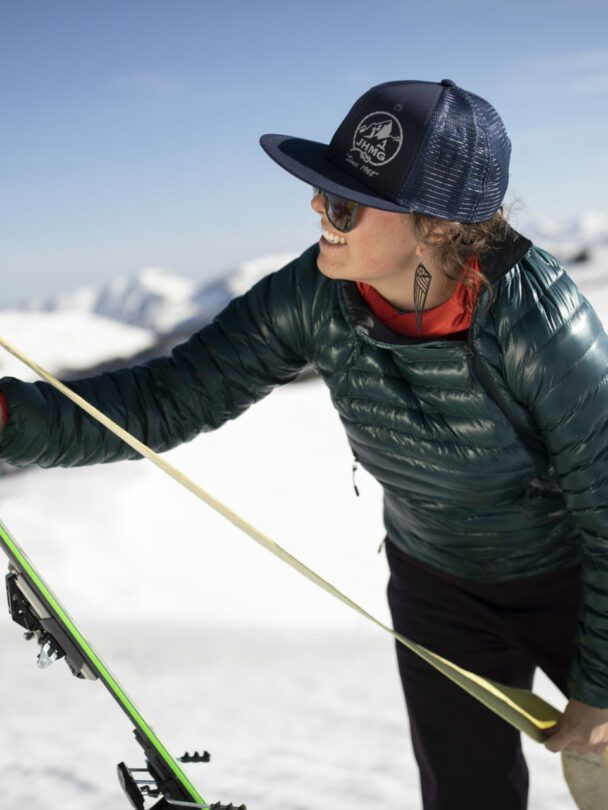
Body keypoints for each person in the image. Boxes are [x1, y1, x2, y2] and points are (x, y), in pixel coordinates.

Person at [1, 78, 608, 810]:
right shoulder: (312, 295)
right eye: (323, 192)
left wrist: (601, 687)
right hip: (438, 586)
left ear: (438, 227)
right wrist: (9, 418)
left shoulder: (537, 319)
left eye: (346, 203)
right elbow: (161, 403)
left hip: (574, 585)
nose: (320, 211)